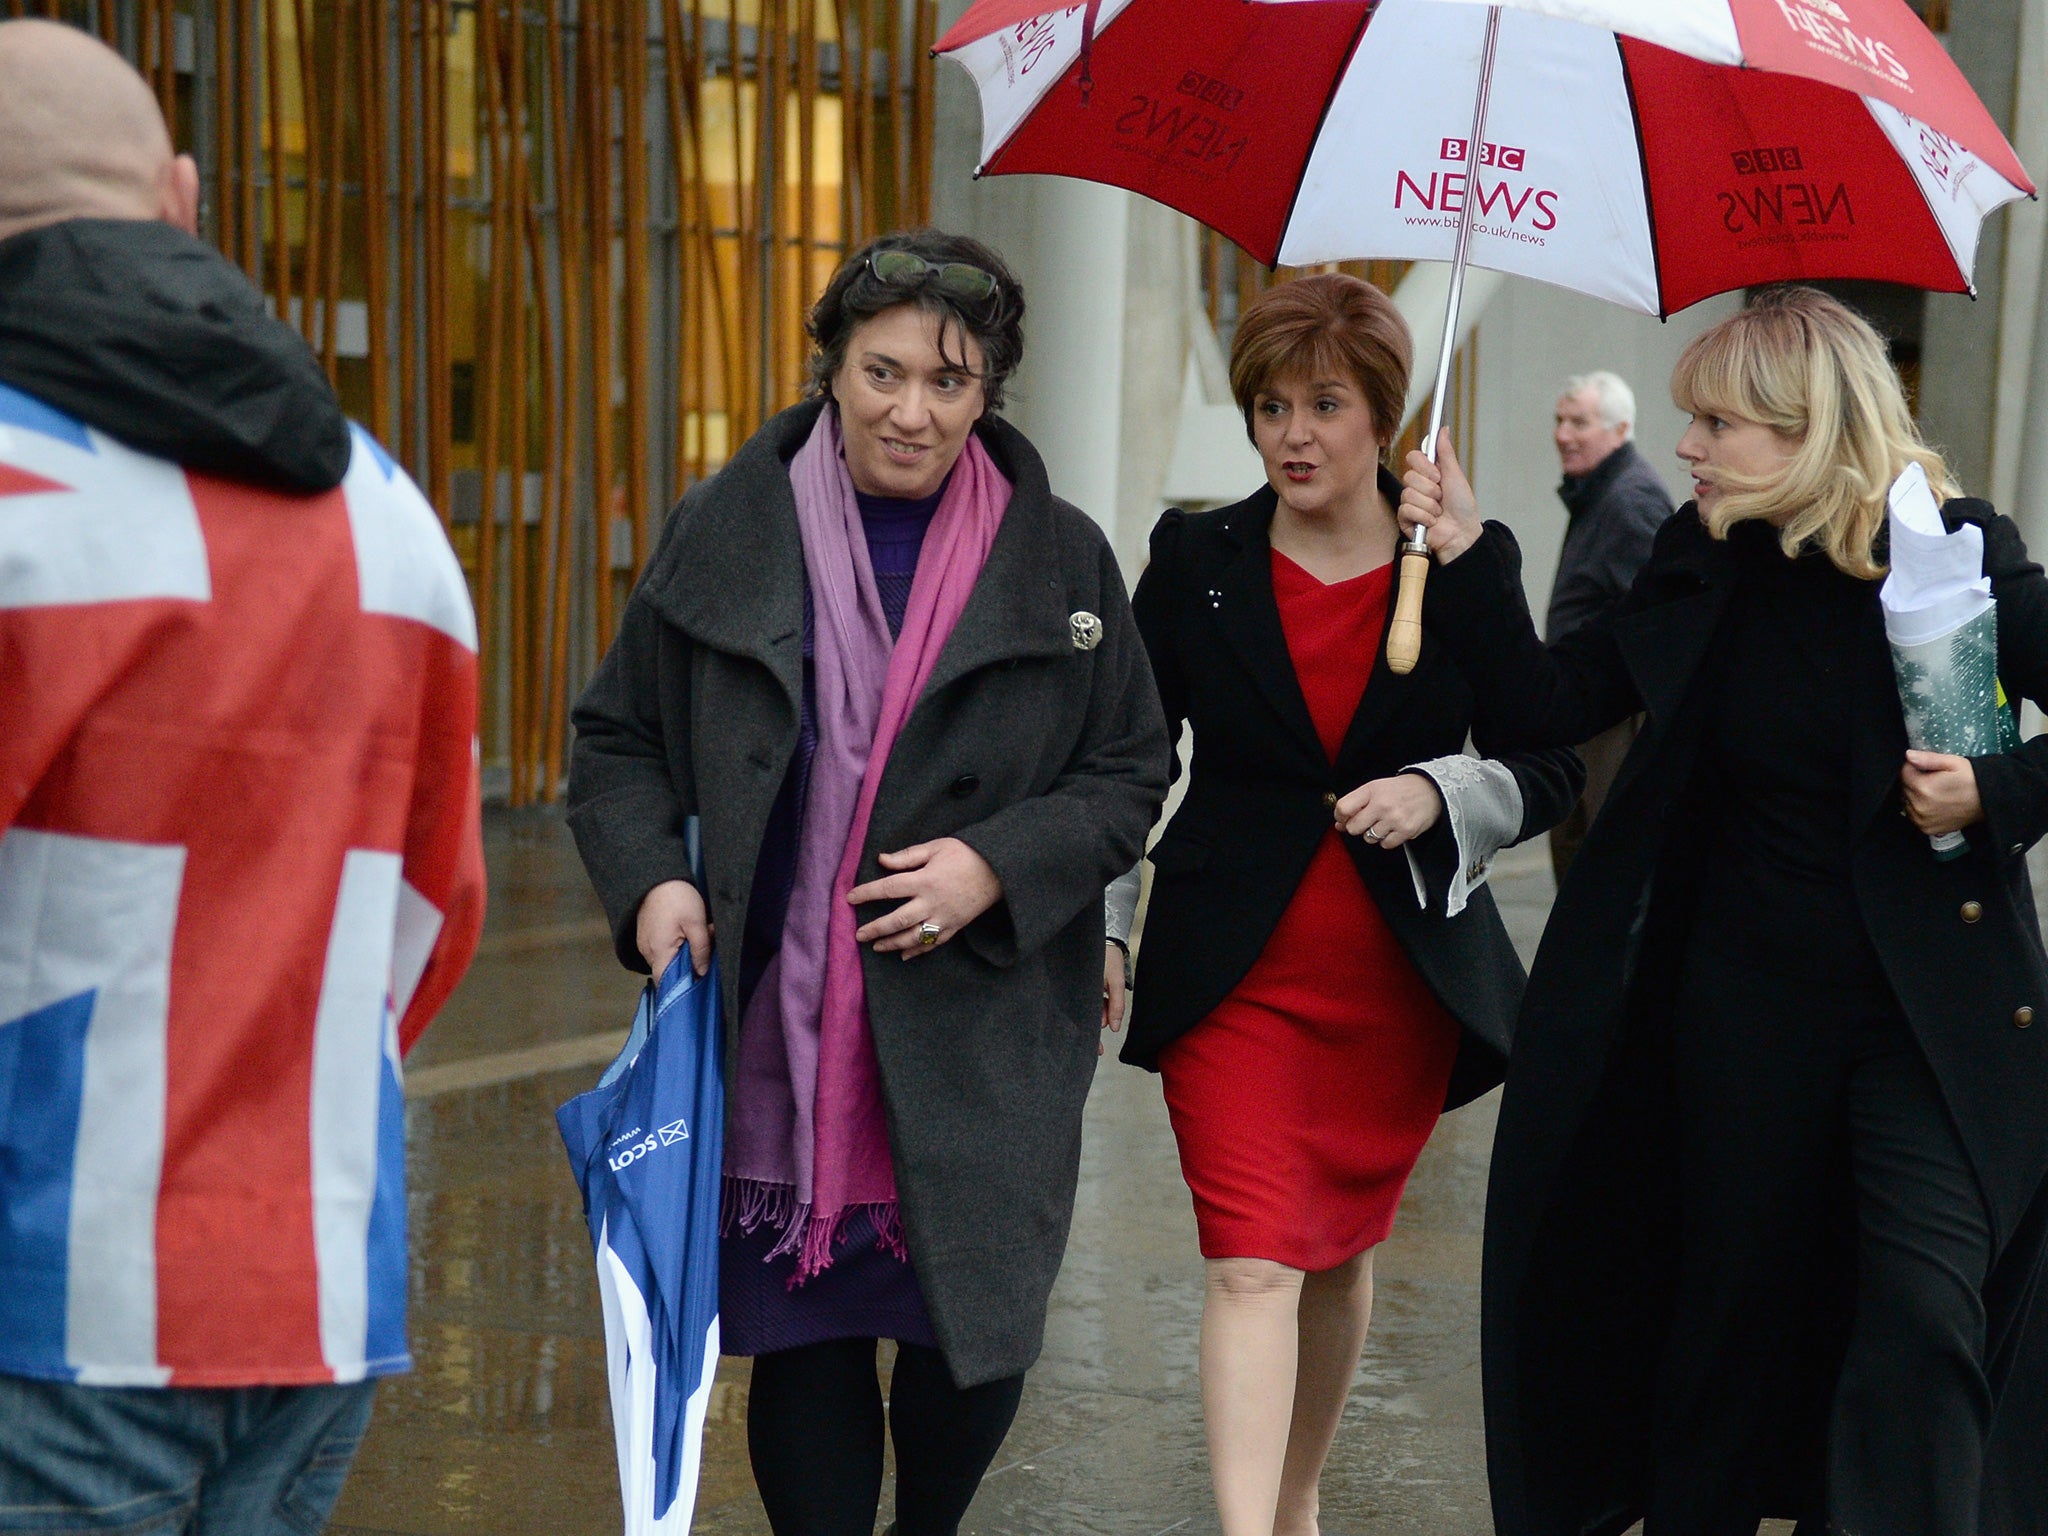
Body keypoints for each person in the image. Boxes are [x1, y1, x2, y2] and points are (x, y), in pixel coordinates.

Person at [1400, 286, 2048, 1536]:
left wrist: (1999, 786)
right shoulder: (1701, 558)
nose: (1684, 446)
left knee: (1922, 1314)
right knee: (1725, 1324)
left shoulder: (1955, 551)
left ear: (1808, 428)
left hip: (1928, 1024)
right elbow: (1551, 703)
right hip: (1741, 1011)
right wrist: (1474, 547)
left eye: (1715, 423)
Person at [566, 228, 1169, 1536]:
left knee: (968, 1343)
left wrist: (995, 865)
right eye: (883, 371)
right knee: (812, 1337)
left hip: (987, 1022)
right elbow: (616, 739)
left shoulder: (1061, 558)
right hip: (778, 1017)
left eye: (949, 383)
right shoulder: (723, 533)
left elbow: (1129, 765)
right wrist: (653, 891)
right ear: (831, 371)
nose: (913, 410)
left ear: (985, 394)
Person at [0, 19, 485, 1534]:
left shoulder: (18, 486)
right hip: (320, 1275)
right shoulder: (388, 509)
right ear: (186, 197)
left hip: (47, 1294)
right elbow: (435, 913)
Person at [1107, 273, 1583, 1536]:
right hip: (1231, 973)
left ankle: (1299, 1493)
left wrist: (1437, 793)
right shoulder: (1194, 557)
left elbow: (1546, 762)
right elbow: (1125, 757)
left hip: (1393, 982)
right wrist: (1105, 921)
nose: (1293, 433)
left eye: (1324, 402)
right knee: (1251, 1258)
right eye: (1269, 405)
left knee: (1334, 1252)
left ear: (1386, 416)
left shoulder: (1462, 562)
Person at [1545, 369, 1672, 878]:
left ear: (1620, 430)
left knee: (1604, 868)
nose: (1562, 434)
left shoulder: (1629, 499)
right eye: (1559, 420)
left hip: (1612, 723)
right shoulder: (1598, 491)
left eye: (1580, 422)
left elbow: (1662, 619)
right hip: (1589, 717)